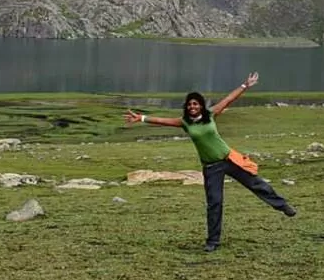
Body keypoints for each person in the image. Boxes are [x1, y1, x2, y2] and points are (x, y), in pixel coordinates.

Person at [124, 72, 296, 252]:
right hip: (211, 168)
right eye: (190, 104)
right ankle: (212, 241)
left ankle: (282, 205)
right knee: (215, 203)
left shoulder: (211, 114)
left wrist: (245, 85)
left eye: (195, 104)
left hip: (229, 159)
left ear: (201, 106)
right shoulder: (185, 122)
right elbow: (162, 121)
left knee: (255, 183)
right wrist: (141, 118)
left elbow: (229, 99)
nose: (192, 106)